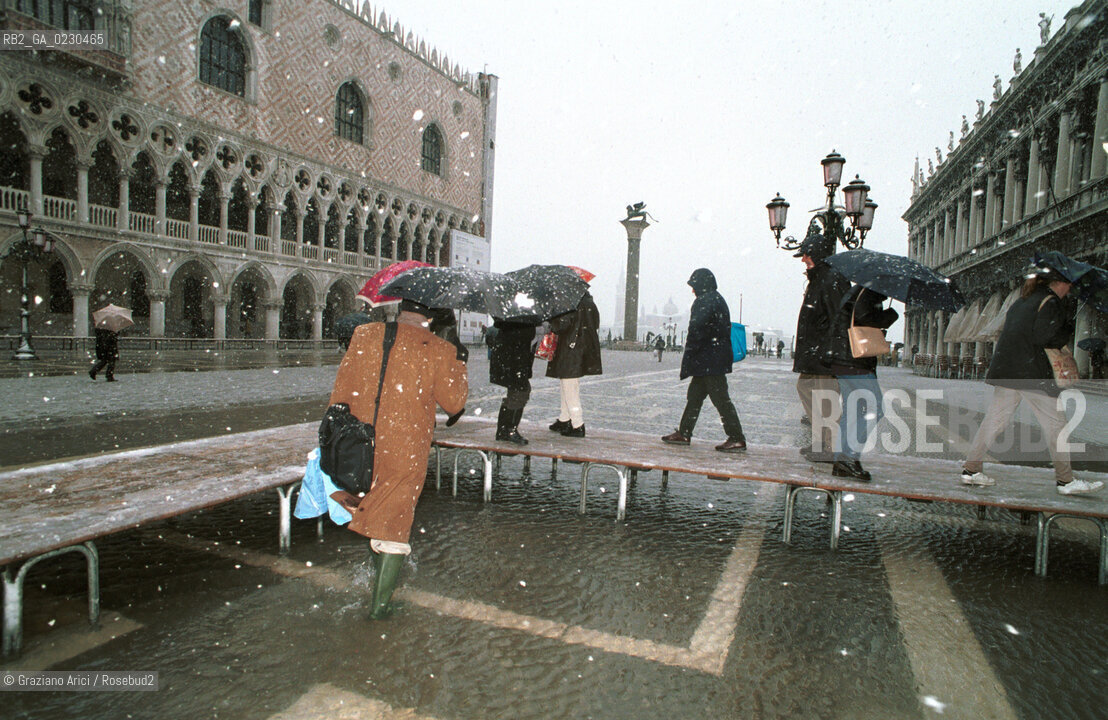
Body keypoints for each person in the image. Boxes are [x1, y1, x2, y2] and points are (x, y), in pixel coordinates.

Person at [329, 298, 469, 618]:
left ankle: (377, 584)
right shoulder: (438, 348)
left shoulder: (364, 334)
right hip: (404, 446)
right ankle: (379, 610)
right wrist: (458, 361)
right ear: (432, 317)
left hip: (357, 442)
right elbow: (455, 403)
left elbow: (342, 389)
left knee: (371, 505)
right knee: (394, 523)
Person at [961, 269, 1103, 495]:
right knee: (1056, 426)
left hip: (1009, 370)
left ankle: (971, 470)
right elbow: (1045, 337)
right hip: (1032, 373)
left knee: (994, 421)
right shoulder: (1050, 302)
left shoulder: (1022, 301)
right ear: (1059, 283)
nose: (1070, 290)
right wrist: (1066, 328)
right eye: (1069, 285)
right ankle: (1065, 481)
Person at [661, 268, 747, 452]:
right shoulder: (715, 299)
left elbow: (697, 331)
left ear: (702, 285)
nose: (693, 290)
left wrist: (690, 356)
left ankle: (737, 438)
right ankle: (684, 432)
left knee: (721, 399)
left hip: (709, 360)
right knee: (695, 397)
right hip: (711, 358)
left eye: (694, 286)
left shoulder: (705, 301)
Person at [826, 286, 899, 481]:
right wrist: (890, 316)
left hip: (844, 359)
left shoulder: (860, 290)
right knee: (874, 407)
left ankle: (842, 461)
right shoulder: (869, 291)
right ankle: (848, 457)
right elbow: (865, 317)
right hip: (854, 360)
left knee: (854, 410)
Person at [792, 232, 851, 462]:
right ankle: (821, 442)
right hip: (815, 353)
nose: (803, 259)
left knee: (826, 400)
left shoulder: (832, 279)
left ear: (818, 254)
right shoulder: (819, 279)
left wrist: (832, 351)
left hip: (826, 353)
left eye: (807, 254)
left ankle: (830, 447)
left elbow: (840, 318)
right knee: (806, 387)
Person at [546, 289, 602, 438]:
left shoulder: (570, 302)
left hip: (570, 348)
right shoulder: (589, 302)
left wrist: (552, 319)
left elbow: (561, 325)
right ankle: (564, 419)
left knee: (569, 387)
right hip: (581, 348)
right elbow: (595, 323)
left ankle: (578, 424)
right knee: (567, 384)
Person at [489, 317, 540, 445]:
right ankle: (509, 430)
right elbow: (524, 336)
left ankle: (503, 430)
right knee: (520, 392)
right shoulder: (519, 322)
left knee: (516, 393)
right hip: (514, 362)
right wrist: (538, 328)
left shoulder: (511, 320)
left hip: (511, 361)